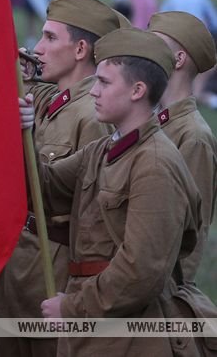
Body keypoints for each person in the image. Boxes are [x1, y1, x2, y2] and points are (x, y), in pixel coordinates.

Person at [31, 28, 201, 356]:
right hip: (96, 327)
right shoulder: (104, 149)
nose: (93, 92)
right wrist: (15, 137)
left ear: (138, 90)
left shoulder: (154, 163)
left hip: (126, 334)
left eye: (104, 83)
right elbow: (46, 191)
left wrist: (73, 308)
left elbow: (142, 270)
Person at [0, 0, 121, 357]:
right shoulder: (54, 102)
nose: (37, 47)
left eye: (50, 38)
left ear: (80, 50)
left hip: (55, 271)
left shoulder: (91, 117)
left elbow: (92, 213)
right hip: (22, 267)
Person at [148, 11, 217, 284]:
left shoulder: (194, 136)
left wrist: (171, 299)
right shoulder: (151, 120)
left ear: (178, 59)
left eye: (155, 45)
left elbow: (193, 232)